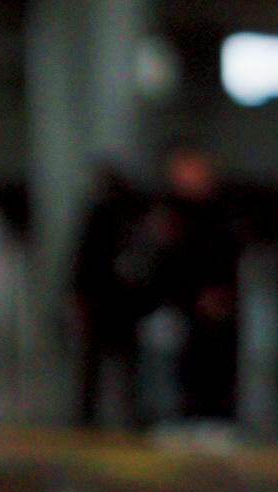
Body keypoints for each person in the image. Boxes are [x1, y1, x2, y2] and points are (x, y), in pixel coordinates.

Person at [150, 145, 245, 424]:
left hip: (215, 303)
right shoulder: (169, 211)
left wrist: (219, 292)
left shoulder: (221, 211)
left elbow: (226, 256)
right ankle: (182, 415)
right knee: (177, 364)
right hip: (180, 301)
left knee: (213, 363)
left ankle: (216, 417)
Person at [72, 163, 156, 428]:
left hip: (111, 300)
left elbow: (83, 260)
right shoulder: (129, 216)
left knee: (106, 364)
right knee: (114, 364)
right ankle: (115, 413)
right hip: (114, 300)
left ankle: (93, 415)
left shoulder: (115, 215)